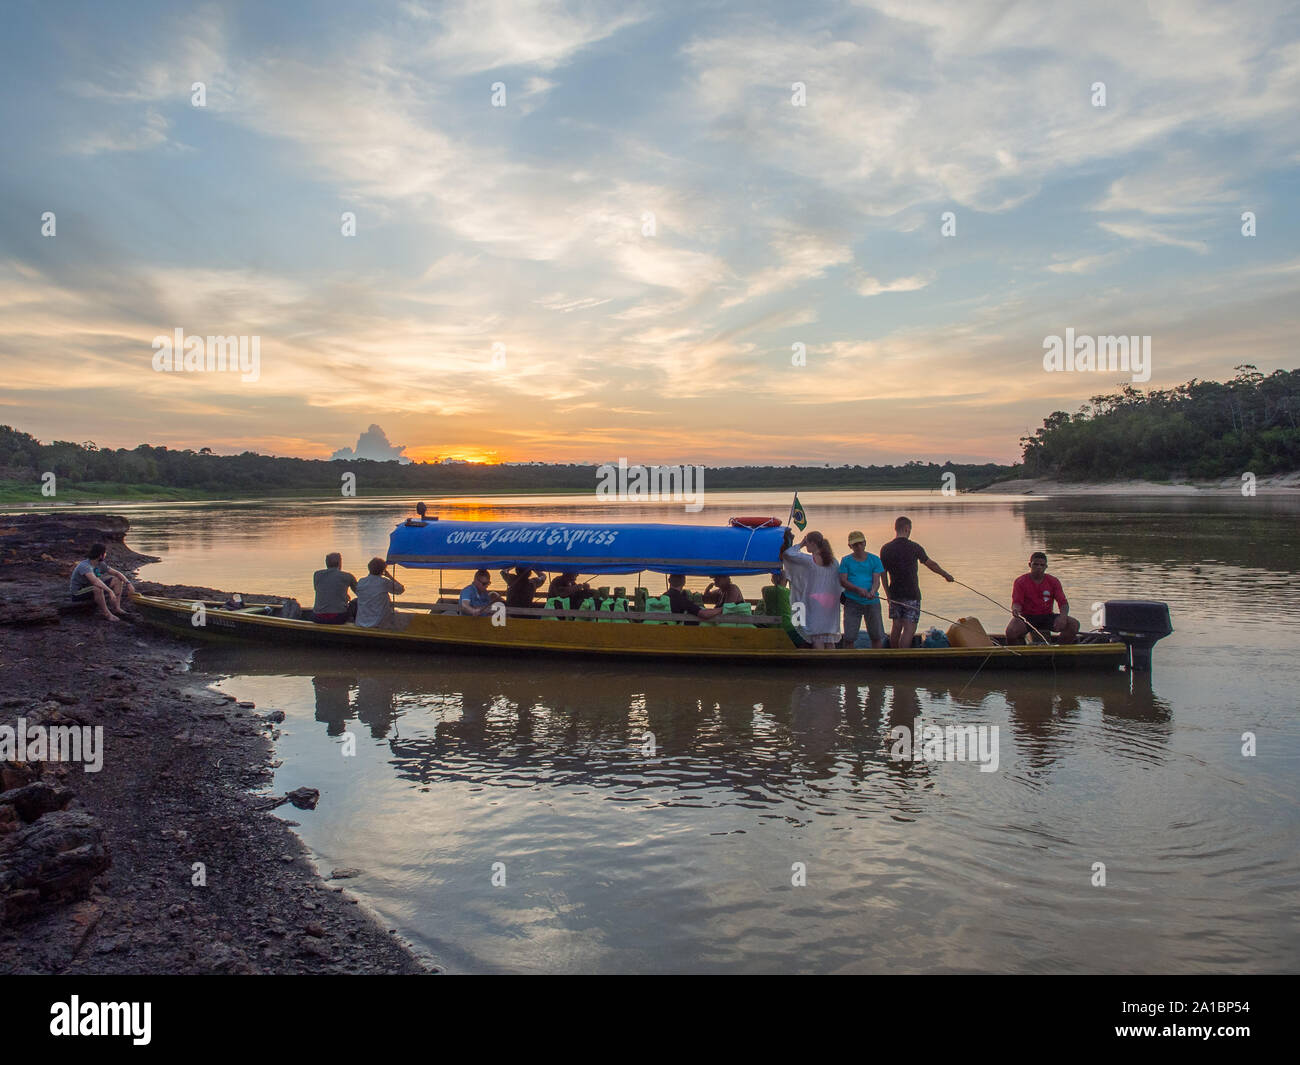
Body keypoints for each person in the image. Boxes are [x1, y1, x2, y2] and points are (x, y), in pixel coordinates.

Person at [880, 516, 953, 651]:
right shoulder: (914, 547)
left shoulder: (886, 549)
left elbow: (882, 574)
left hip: (894, 594)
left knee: (896, 626)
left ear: (895, 528)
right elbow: (931, 564)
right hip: (912, 594)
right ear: (907, 529)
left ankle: (893, 657)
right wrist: (945, 575)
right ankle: (902, 658)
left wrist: (888, 594)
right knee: (909, 628)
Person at [782, 531, 841, 649]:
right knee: (828, 637)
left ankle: (820, 664)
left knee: (817, 636)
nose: (806, 545)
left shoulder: (809, 560)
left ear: (813, 543)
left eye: (807, 542)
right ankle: (833, 664)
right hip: (830, 603)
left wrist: (801, 544)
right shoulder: (834, 562)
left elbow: (788, 554)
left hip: (814, 602)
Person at [1006, 552, 1079, 644]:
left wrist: (1063, 617)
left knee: (1073, 624)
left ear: (1046, 566)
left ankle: (1058, 650)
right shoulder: (1020, 581)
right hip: (1027, 617)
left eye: (1042, 565)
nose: (1039, 567)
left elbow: (1063, 603)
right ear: (1030, 565)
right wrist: (1016, 610)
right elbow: (1017, 602)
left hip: (1047, 616)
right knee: (1010, 632)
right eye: (1035, 564)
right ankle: (1016, 654)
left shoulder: (1053, 581)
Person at [838, 531, 885, 648]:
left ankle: (878, 661)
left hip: (872, 602)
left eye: (860, 543)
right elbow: (843, 581)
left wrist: (872, 592)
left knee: (877, 636)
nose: (858, 546)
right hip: (852, 601)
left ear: (865, 543)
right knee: (849, 637)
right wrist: (857, 589)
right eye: (855, 544)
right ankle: (849, 662)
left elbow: (876, 581)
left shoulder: (874, 559)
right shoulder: (845, 560)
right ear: (850, 546)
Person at [67, 543, 123, 622]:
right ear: (101, 555)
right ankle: (107, 614)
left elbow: (116, 573)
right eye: (105, 553)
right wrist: (110, 591)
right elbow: (95, 581)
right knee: (97, 587)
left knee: (117, 580)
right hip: (78, 592)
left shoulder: (100, 564)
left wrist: (128, 583)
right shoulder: (85, 566)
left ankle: (117, 608)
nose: (106, 555)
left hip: (89, 589)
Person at [355, 557, 406, 629]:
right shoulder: (383, 582)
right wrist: (389, 576)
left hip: (360, 622)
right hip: (379, 623)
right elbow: (401, 589)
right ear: (383, 570)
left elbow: (358, 593)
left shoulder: (361, 581)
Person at [311, 552, 358, 624]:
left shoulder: (317, 574)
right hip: (338, 617)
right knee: (355, 602)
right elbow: (361, 594)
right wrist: (346, 598)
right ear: (340, 563)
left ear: (326, 563)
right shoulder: (347, 576)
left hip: (318, 617)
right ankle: (354, 622)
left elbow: (319, 590)